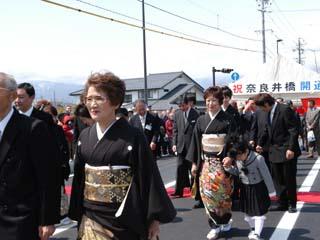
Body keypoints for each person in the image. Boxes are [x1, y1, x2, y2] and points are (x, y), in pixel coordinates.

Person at [69, 72, 176, 240]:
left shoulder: (133, 136)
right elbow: (79, 179)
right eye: (88, 99)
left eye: (98, 98)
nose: (92, 104)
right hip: (90, 215)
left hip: (124, 216)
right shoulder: (85, 136)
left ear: (115, 102)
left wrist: (153, 219)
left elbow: (148, 177)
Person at [0, 72, 59, 240]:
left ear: (11, 96)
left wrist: (47, 219)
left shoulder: (32, 128)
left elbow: (47, 176)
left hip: (20, 219)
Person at [186, 86, 237, 240]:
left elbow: (234, 140)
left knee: (224, 195)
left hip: (223, 163)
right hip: (207, 164)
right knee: (207, 195)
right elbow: (195, 142)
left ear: (220, 101)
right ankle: (214, 225)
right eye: (208, 100)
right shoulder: (201, 120)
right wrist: (194, 163)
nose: (210, 104)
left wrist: (230, 156)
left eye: (214, 100)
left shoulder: (228, 119)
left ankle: (226, 220)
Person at [255, 93, 300, 213]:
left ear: (266, 104)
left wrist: (291, 148)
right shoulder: (268, 112)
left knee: (288, 178)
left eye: (261, 107)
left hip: (286, 150)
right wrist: (260, 143)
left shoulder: (284, 109)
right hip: (273, 149)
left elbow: (293, 130)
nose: (261, 110)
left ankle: (292, 204)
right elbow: (266, 129)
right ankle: (282, 202)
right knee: (277, 179)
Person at [226, 139, 275, 240]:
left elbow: (267, 176)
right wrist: (228, 168)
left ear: (244, 151)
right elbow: (237, 172)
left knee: (259, 212)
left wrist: (271, 192)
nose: (237, 159)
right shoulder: (238, 159)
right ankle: (253, 229)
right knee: (247, 212)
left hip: (258, 188)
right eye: (236, 157)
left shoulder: (258, 159)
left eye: (239, 156)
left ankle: (257, 233)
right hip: (245, 188)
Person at [172, 96, 200, 198]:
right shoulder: (177, 114)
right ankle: (178, 191)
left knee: (192, 169)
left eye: (183, 105)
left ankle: (195, 191)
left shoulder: (196, 114)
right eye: (180, 106)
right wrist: (174, 143)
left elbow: (197, 132)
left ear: (188, 104)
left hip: (191, 146)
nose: (181, 108)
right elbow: (175, 130)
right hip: (180, 146)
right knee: (179, 168)